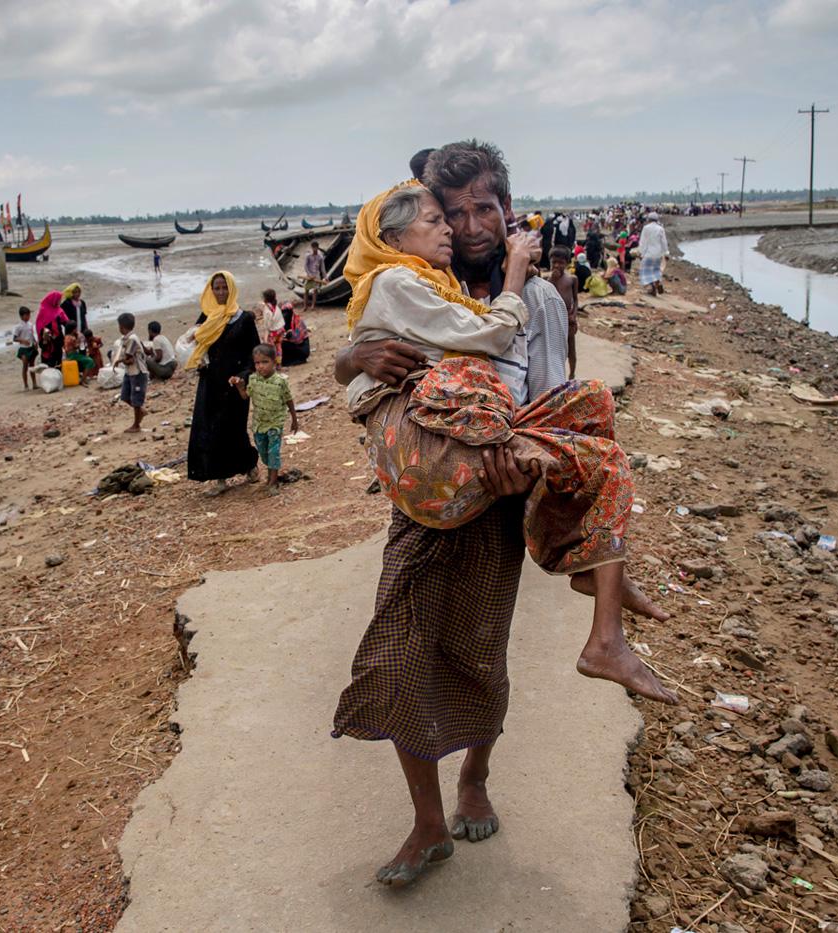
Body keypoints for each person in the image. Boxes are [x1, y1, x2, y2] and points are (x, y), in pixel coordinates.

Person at [332, 141, 672, 889]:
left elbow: (553, 392)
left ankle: (475, 775)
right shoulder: (421, 277)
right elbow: (351, 352)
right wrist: (358, 361)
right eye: (451, 212)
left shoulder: (540, 298)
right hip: (425, 498)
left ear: (507, 211)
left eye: (483, 207)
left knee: (480, 651)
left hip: (498, 493)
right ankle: (426, 823)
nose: (467, 223)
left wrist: (518, 459)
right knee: (400, 649)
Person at [185, 271, 261, 496]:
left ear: (231, 289)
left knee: (234, 428)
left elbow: (253, 352)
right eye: (216, 288)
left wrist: (244, 375)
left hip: (234, 384)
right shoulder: (206, 316)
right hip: (210, 383)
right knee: (210, 428)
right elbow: (198, 345)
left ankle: (249, 464)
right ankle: (220, 478)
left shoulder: (243, 318)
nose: (220, 293)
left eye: (224, 288)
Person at [229, 344, 300, 495]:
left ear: (274, 362)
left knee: (273, 451)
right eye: (257, 363)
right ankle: (271, 473)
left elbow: (289, 400)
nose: (261, 366)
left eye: (265, 362)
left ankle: (273, 482)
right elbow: (245, 396)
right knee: (263, 452)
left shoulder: (280, 382)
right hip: (259, 424)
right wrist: (240, 386)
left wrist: (294, 419)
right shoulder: (253, 380)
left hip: (275, 423)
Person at [547, 248, 579, 379]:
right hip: (554, 317)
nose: (556, 265)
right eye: (554, 262)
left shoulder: (572, 279)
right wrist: (552, 280)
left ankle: (571, 373)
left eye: (560, 263)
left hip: (568, 317)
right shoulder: (547, 280)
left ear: (566, 263)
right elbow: (545, 293)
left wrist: (574, 315)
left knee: (571, 348)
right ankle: (557, 374)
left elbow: (575, 299)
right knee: (555, 348)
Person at [116, 312, 148, 433]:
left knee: (136, 399)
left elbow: (130, 359)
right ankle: (140, 412)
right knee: (125, 396)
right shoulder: (128, 338)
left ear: (121, 327)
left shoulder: (132, 339)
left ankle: (136, 424)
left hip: (138, 372)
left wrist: (119, 360)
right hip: (130, 372)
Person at [637, 211, 668, 296]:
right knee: (655, 270)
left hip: (648, 252)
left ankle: (653, 288)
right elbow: (664, 242)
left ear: (649, 219)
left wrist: (641, 252)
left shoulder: (646, 228)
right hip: (658, 253)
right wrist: (666, 253)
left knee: (646, 271)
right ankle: (657, 283)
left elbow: (643, 242)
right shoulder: (660, 229)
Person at [34, 290, 68, 368]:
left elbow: (66, 322)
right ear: (54, 300)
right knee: (49, 365)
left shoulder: (59, 310)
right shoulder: (43, 310)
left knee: (59, 363)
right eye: (59, 300)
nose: (60, 302)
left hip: (58, 340)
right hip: (48, 341)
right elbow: (39, 325)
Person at [12, 306, 37, 389]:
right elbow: (15, 338)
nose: (28, 317)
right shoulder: (18, 326)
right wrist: (22, 340)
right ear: (22, 316)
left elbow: (32, 335)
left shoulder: (30, 325)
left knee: (32, 365)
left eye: (29, 315)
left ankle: (34, 383)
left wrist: (35, 342)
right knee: (25, 365)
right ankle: (26, 384)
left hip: (31, 347)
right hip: (23, 348)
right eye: (26, 315)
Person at [258, 288, 285, 365]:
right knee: (279, 348)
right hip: (280, 330)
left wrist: (265, 339)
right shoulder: (276, 306)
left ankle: (273, 366)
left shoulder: (267, 310)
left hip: (273, 333)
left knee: (271, 351)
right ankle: (279, 364)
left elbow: (268, 327)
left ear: (265, 299)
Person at [280, 301, 312, 366]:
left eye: (286, 312)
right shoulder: (282, 324)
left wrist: (290, 335)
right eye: (283, 312)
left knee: (284, 344)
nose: (284, 315)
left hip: (302, 349)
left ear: (291, 312)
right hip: (294, 346)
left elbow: (298, 339)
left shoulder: (298, 321)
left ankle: (298, 360)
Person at [302, 241, 327, 310]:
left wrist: (325, 277)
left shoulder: (320, 257)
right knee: (306, 290)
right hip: (309, 276)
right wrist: (309, 275)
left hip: (316, 275)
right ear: (312, 247)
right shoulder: (308, 256)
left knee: (315, 291)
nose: (315, 249)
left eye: (316, 248)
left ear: (318, 247)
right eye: (313, 248)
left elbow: (322, 268)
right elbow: (305, 266)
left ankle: (313, 306)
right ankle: (305, 306)